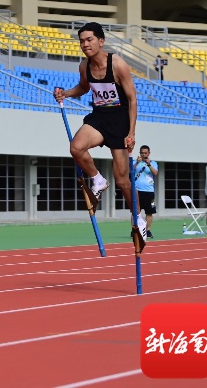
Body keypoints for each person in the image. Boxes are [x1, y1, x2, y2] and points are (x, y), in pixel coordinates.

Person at [52, 22, 144, 239]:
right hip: (99, 118)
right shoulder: (84, 67)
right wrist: (65, 93)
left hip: (120, 120)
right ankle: (97, 179)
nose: (85, 44)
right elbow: (84, 88)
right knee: (76, 148)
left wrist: (131, 132)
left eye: (89, 40)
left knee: (122, 180)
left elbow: (132, 99)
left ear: (101, 41)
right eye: (82, 41)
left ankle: (137, 217)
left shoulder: (117, 65)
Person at [133, 145, 158, 239]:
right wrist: (137, 163)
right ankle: (134, 230)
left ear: (149, 153)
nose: (143, 155)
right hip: (137, 191)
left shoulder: (153, 163)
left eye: (145, 153)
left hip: (149, 191)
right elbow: (129, 171)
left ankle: (147, 230)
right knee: (135, 212)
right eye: (142, 153)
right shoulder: (135, 162)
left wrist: (149, 164)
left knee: (150, 212)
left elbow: (155, 173)